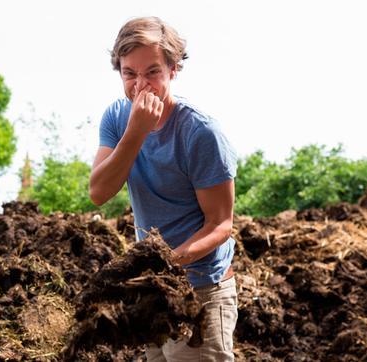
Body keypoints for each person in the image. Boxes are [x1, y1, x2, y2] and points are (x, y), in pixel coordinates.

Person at [89, 16, 239, 361]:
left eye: (152, 72)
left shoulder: (201, 133)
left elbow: (220, 225)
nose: (141, 85)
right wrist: (136, 131)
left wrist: (166, 267)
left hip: (200, 289)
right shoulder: (116, 117)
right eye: (129, 73)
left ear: (173, 69)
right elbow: (98, 192)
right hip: (154, 289)